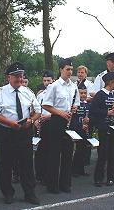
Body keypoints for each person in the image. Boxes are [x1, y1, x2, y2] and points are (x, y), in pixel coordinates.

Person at [0, 62, 41, 205]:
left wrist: (31, 120)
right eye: (16, 77)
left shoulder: (28, 92)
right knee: (5, 164)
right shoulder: (0, 92)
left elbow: (38, 111)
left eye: (21, 76)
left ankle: (29, 193)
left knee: (27, 163)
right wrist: (10, 123)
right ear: (8, 77)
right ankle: (7, 193)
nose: (19, 79)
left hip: (24, 131)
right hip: (6, 132)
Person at [42, 58, 80, 194]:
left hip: (69, 121)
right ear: (61, 70)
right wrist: (60, 113)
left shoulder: (73, 86)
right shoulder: (54, 86)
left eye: (71, 69)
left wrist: (74, 107)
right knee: (54, 154)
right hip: (57, 121)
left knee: (68, 153)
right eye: (67, 69)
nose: (70, 72)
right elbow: (45, 104)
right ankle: (52, 185)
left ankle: (65, 183)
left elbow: (77, 102)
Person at [90, 52, 114, 170]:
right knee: (104, 142)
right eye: (112, 61)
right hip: (104, 109)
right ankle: (103, 161)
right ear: (107, 62)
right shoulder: (101, 76)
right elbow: (94, 93)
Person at [89, 72, 114, 186]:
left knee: (112, 154)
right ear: (110, 82)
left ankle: (111, 177)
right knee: (103, 153)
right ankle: (98, 178)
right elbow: (93, 111)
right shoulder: (100, 95)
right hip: (104, 127)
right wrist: (106, 112)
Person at [34, 70, 54, 185]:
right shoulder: (40, 95)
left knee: (49, 150)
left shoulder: (56, 94)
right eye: (45, 80)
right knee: (39, 150)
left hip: (51, 122)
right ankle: (39, 174)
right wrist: (36, 120)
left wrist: (48, 117)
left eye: (49, 80)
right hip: (40, 124)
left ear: (53, 80)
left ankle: (48, 175)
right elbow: (36, 109)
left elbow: (60, 110)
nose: (46, 83)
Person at [71, 82, 90, 177]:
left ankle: (81, 169)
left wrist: (88, 121)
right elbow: (73, 119)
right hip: (77, 129)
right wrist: (80, 125)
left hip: (85, 129)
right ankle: (74, 170)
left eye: (85, 93)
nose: (83, 95)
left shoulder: (87, 104)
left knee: (83, 150)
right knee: (78, 150)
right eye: (81, 93)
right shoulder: (75, 105)